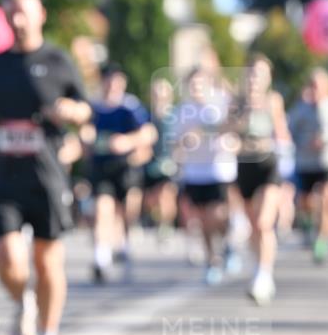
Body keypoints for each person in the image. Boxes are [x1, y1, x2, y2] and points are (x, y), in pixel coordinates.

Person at [0, 0, 91, 335]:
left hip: (47, 175)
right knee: (8, 258)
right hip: (3, 173)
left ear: (41, 14)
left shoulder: (58, 60)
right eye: (11, 12)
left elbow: (85, 109)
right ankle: (23, 303)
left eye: (23, 11)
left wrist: (71, 111)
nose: (17, 19)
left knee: (47, 260)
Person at [81, 63, 156, 282]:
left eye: (117, 81)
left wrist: (126, 142)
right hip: (101, 167)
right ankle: (101, 258)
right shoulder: (93, 106)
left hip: (126, 167)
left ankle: (123, 242)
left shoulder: (130, 107)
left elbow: (149, 133)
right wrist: (87, 140)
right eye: (109, 81)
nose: (113, 86)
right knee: (102, 208)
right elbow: (84, 132)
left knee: (128, 210)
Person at [231, 54, 290, 304]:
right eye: (252, 73)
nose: (255, 79)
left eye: (260, 74)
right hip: (244, 167)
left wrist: (287, 170)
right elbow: (227, 131)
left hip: (268, 166)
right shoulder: (236, 102)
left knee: (265, 222)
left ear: (268, 78)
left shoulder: (273, 100)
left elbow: (282, 134)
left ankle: (264, 276)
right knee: (253, 225)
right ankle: (260, 267)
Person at [174, 67, 238, 285]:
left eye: (200, 84)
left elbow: (235, 128)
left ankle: (228, 242)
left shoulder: (222, 103)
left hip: (220, 169)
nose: (196, 89)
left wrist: (228, 140)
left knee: (217, 215)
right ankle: (212, 261)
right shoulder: (183, 110)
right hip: (194, 171)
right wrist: (185, 142)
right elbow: (176, 141)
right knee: (202, 221)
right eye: (192, 85)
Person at [289, 68, 328, 263]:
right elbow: (289, 133)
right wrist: (306, 143)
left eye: (320, 85)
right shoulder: (300, 109)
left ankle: (322, 241)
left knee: (327, 202)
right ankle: (307, 224)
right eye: (313, 85)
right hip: (306, 162)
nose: (317, 89)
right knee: (306, 203)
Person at [143, 75, 178, 245]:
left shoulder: (175, 115)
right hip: (151, 163)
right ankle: (159, 221)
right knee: (152, 199)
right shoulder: (147, 116)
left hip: (169, 163)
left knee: (166, 195)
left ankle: (166, 226)